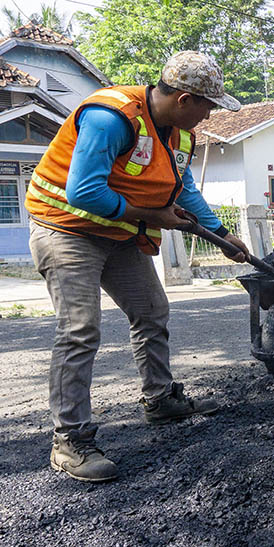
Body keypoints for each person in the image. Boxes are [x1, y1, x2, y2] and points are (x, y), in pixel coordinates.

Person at [25, 51, 251, 482]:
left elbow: (183, 191)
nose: (210, 115)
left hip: (120, 232)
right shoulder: (112, 117)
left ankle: (160, 399)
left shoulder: (180, 135)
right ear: (185, 99)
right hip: (65, 228)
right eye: (208, 106)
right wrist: (149, 218)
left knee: (151, 311)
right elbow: (82, 192)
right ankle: (69, 440)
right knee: (79, 328)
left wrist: (221, 233)